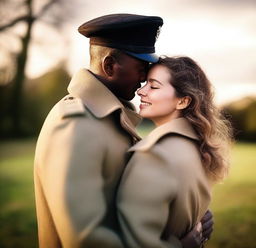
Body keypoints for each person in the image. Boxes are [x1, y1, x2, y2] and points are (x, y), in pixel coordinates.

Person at [34, 14, 213, 248]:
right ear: (109, 65)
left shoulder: (106, 116)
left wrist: (188, 214)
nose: (143, 80)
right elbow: (85, 239)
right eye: (141, 68)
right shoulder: (74, 123)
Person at [117, 56, 232, 248]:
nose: (140, 91)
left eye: (153, 87)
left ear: (183, 101)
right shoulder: (200, 148)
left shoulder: (154, 155)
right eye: (145, 84)